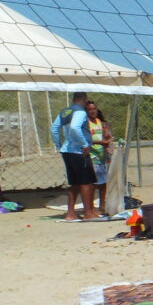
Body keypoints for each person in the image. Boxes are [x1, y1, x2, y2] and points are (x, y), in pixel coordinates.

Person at [50, 91, 98, 220]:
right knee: (86, 182)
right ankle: (88, 212)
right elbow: (75, 128)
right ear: (84, 99)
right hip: (79, 151)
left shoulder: (65, 112)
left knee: (75, 183)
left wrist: (59, 145)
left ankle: (70, 213)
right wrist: (84, 144)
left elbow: (54, 129)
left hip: (68, 151)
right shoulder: (80, 112)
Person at [85, 100, 113, 215]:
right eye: (90, 109)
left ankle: (102, 205)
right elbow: (86, 140)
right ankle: (91, 207)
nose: (93, 111)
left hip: (102, 156)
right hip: (92, 156)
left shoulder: (100, 123)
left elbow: (108, 137)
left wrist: (107, 136)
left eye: (94, 109)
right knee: (92, 184)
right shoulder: (86, 124)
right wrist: (101, 142)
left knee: (103, 182)